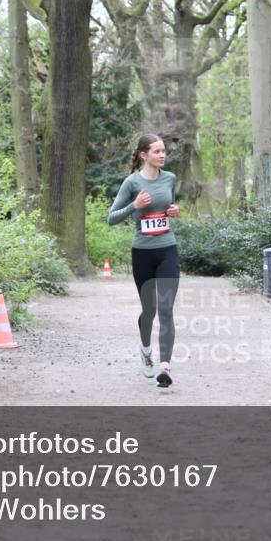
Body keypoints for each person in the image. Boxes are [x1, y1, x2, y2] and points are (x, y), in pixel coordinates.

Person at [107, 134, 181, 387]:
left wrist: (174, 211)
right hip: (142, 253)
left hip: (168, 249)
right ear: (143, 155)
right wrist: (134, 206)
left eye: (163, 151)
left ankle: (165, 367)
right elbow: (111, 217)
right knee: (149, 311)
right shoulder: (131, 183)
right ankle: (146, 352)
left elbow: (169, 208)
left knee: (166, 309)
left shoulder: (170, 178)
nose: (162, 155)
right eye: (157, 151)